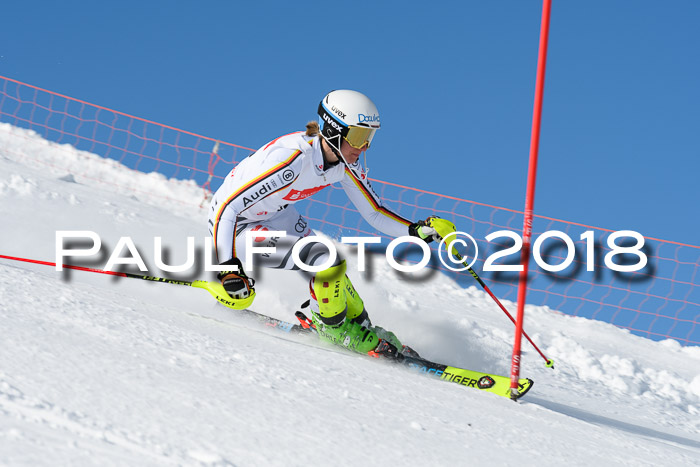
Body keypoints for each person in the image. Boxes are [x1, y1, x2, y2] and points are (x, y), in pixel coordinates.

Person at [208, 90, 454, 359]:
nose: (363, 148)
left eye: (368, 139)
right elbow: (227, 208)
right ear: (335, 131)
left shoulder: (345, 163)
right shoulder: (292, 160)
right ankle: (330, 327)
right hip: (236, 226)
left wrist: (416, 231)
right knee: (323, 261)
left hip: (275, 213)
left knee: (331, 267)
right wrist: (227, 269)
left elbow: (374, 212)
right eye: (358, 137)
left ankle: (358, 324)